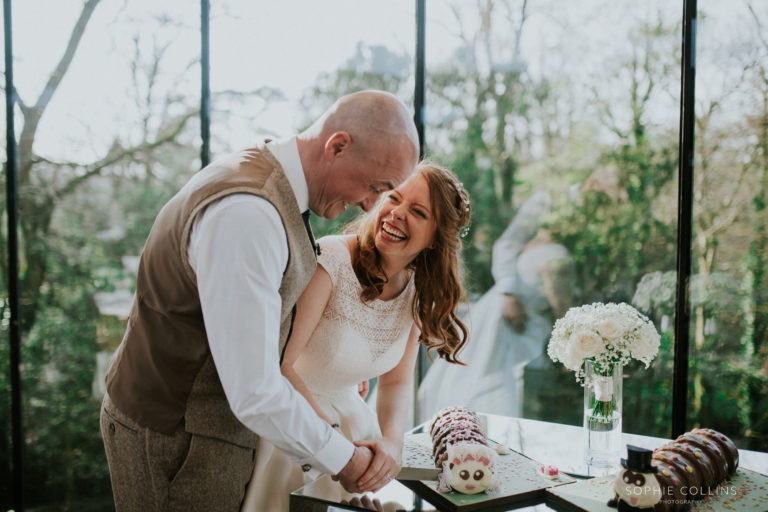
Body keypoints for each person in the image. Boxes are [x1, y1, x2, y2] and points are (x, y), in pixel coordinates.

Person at [100, 90, 420, 511]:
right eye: (377, 187)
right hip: (176, 441)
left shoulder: (272, 180)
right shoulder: (248, 216)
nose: (370, 205)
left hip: (209, 432)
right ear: (337, 146)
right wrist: (344, 458)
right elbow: (254, 390)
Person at [241, 162, 472, 511]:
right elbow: (282, 363)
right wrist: (331, 443)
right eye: (394, 198)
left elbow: (394, 383)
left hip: (355, 432)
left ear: (435, 239)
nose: (396, 214)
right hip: (294, 425)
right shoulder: (331, 260)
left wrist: (392, 444)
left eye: (418, 212)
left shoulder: (416, 292)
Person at [418, 191, 573, 420]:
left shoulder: (560, 245)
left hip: (531, 318)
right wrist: (508, 291)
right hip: (505, 310)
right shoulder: (547, 199)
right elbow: (507, 244)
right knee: (480, 372)